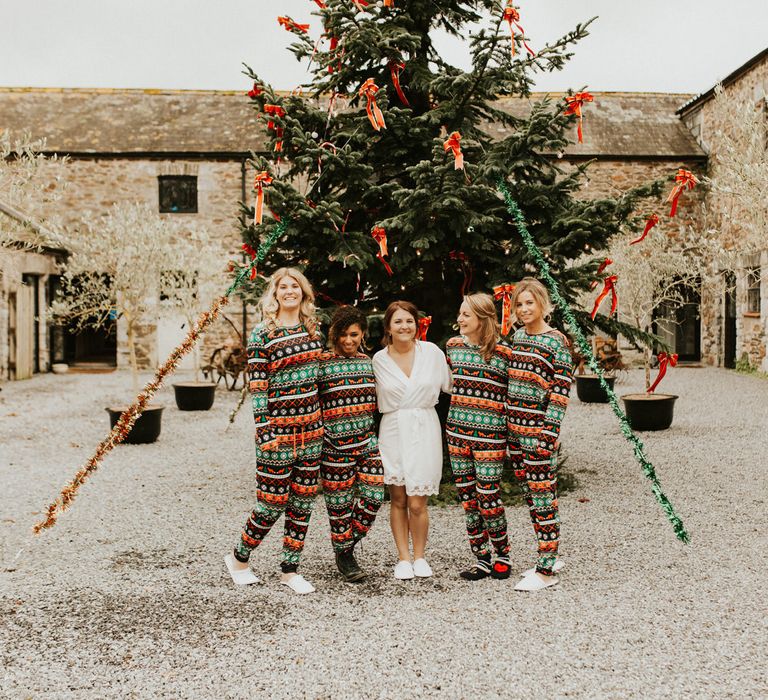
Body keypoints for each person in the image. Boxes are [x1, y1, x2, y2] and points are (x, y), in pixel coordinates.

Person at [224, 267, 324, 595]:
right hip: (277, 434)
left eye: (295, 286)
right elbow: (258, 387)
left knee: (302, 504)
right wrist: (265, 429)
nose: (289, 291)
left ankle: (290, 569)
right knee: (272, 502)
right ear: (275, 293)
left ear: (303, 292)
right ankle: (239, 559)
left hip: (311, 432)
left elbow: (320, 381)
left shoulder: (314, 330)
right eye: (283, 287)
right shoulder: (262, 334)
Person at [373, 301, 452, 580]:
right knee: (397, 498)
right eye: (398, 322)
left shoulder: (432, 353)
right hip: (394, 427)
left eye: (409, 320)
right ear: (388, 328)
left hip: (424, 426)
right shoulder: (379, 360)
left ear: (416, 324)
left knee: (418, 501)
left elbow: (452, 386)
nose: (404, 326)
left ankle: (420, 557)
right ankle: (403, 558)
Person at [506, 277, 573, 592]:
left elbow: (560, 393)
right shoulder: (517, 337)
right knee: (533, 496)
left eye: (529, 302)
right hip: (515, 433)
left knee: (543, 496)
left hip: (539, 433)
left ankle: (546, 571)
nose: (523, 309)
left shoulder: (556, 341)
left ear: (543, 304)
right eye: (519, 304)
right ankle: (550, 553)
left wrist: (550, 432)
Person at [446, 293, 513, 581]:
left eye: (466, 315)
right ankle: (481, 557)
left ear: (482, 319)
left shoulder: (504, 354)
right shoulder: (453, 347)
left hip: (491, 436)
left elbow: (515, 396)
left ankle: (503, 553)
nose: (459, 319)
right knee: (468, 499)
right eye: (460, 314)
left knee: (488, 495)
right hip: (457, 433)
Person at [317, 306, 385, 583]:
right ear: (333, 334)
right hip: (333, 447)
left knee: (374, 497)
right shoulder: (321, 363)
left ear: (363, 334)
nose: (348, 340)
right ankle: (345, 557)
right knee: (339, 507)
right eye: (343, 334)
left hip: (366, 444)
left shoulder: (367, 361)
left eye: (354, 334)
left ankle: (344, 544)